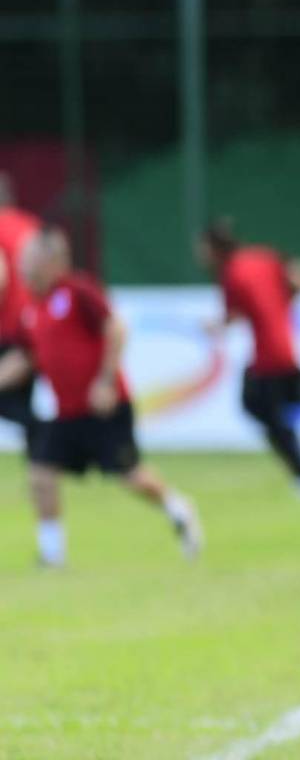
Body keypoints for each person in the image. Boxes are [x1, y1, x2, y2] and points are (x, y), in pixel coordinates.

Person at [0, 229, 202, 566]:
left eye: (29, 264)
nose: (23, 271)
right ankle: (52, 554)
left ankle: (178, 507)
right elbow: (23, 359)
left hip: (105, 407)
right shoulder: (32, 310)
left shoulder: (78, 292)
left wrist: (105, 382)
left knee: (130, 475)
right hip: (67, 414)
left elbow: (116, 329)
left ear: (52, 262)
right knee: (40, 473)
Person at [197, 221, 300, 498]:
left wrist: (213, 327)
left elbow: (232, 316)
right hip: (286, 348)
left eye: (204, 249)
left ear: (216, 248)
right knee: (275, 405)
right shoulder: (263, 257)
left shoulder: (231, 274)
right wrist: (285, 301)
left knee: (256, 406)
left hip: (268, 355)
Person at [0, 172, 42, 454]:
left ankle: (48, 434)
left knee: (18, 410)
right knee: (22, 407)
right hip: (34, 332)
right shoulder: (33, 226)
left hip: (5, 331)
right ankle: (41, 472)